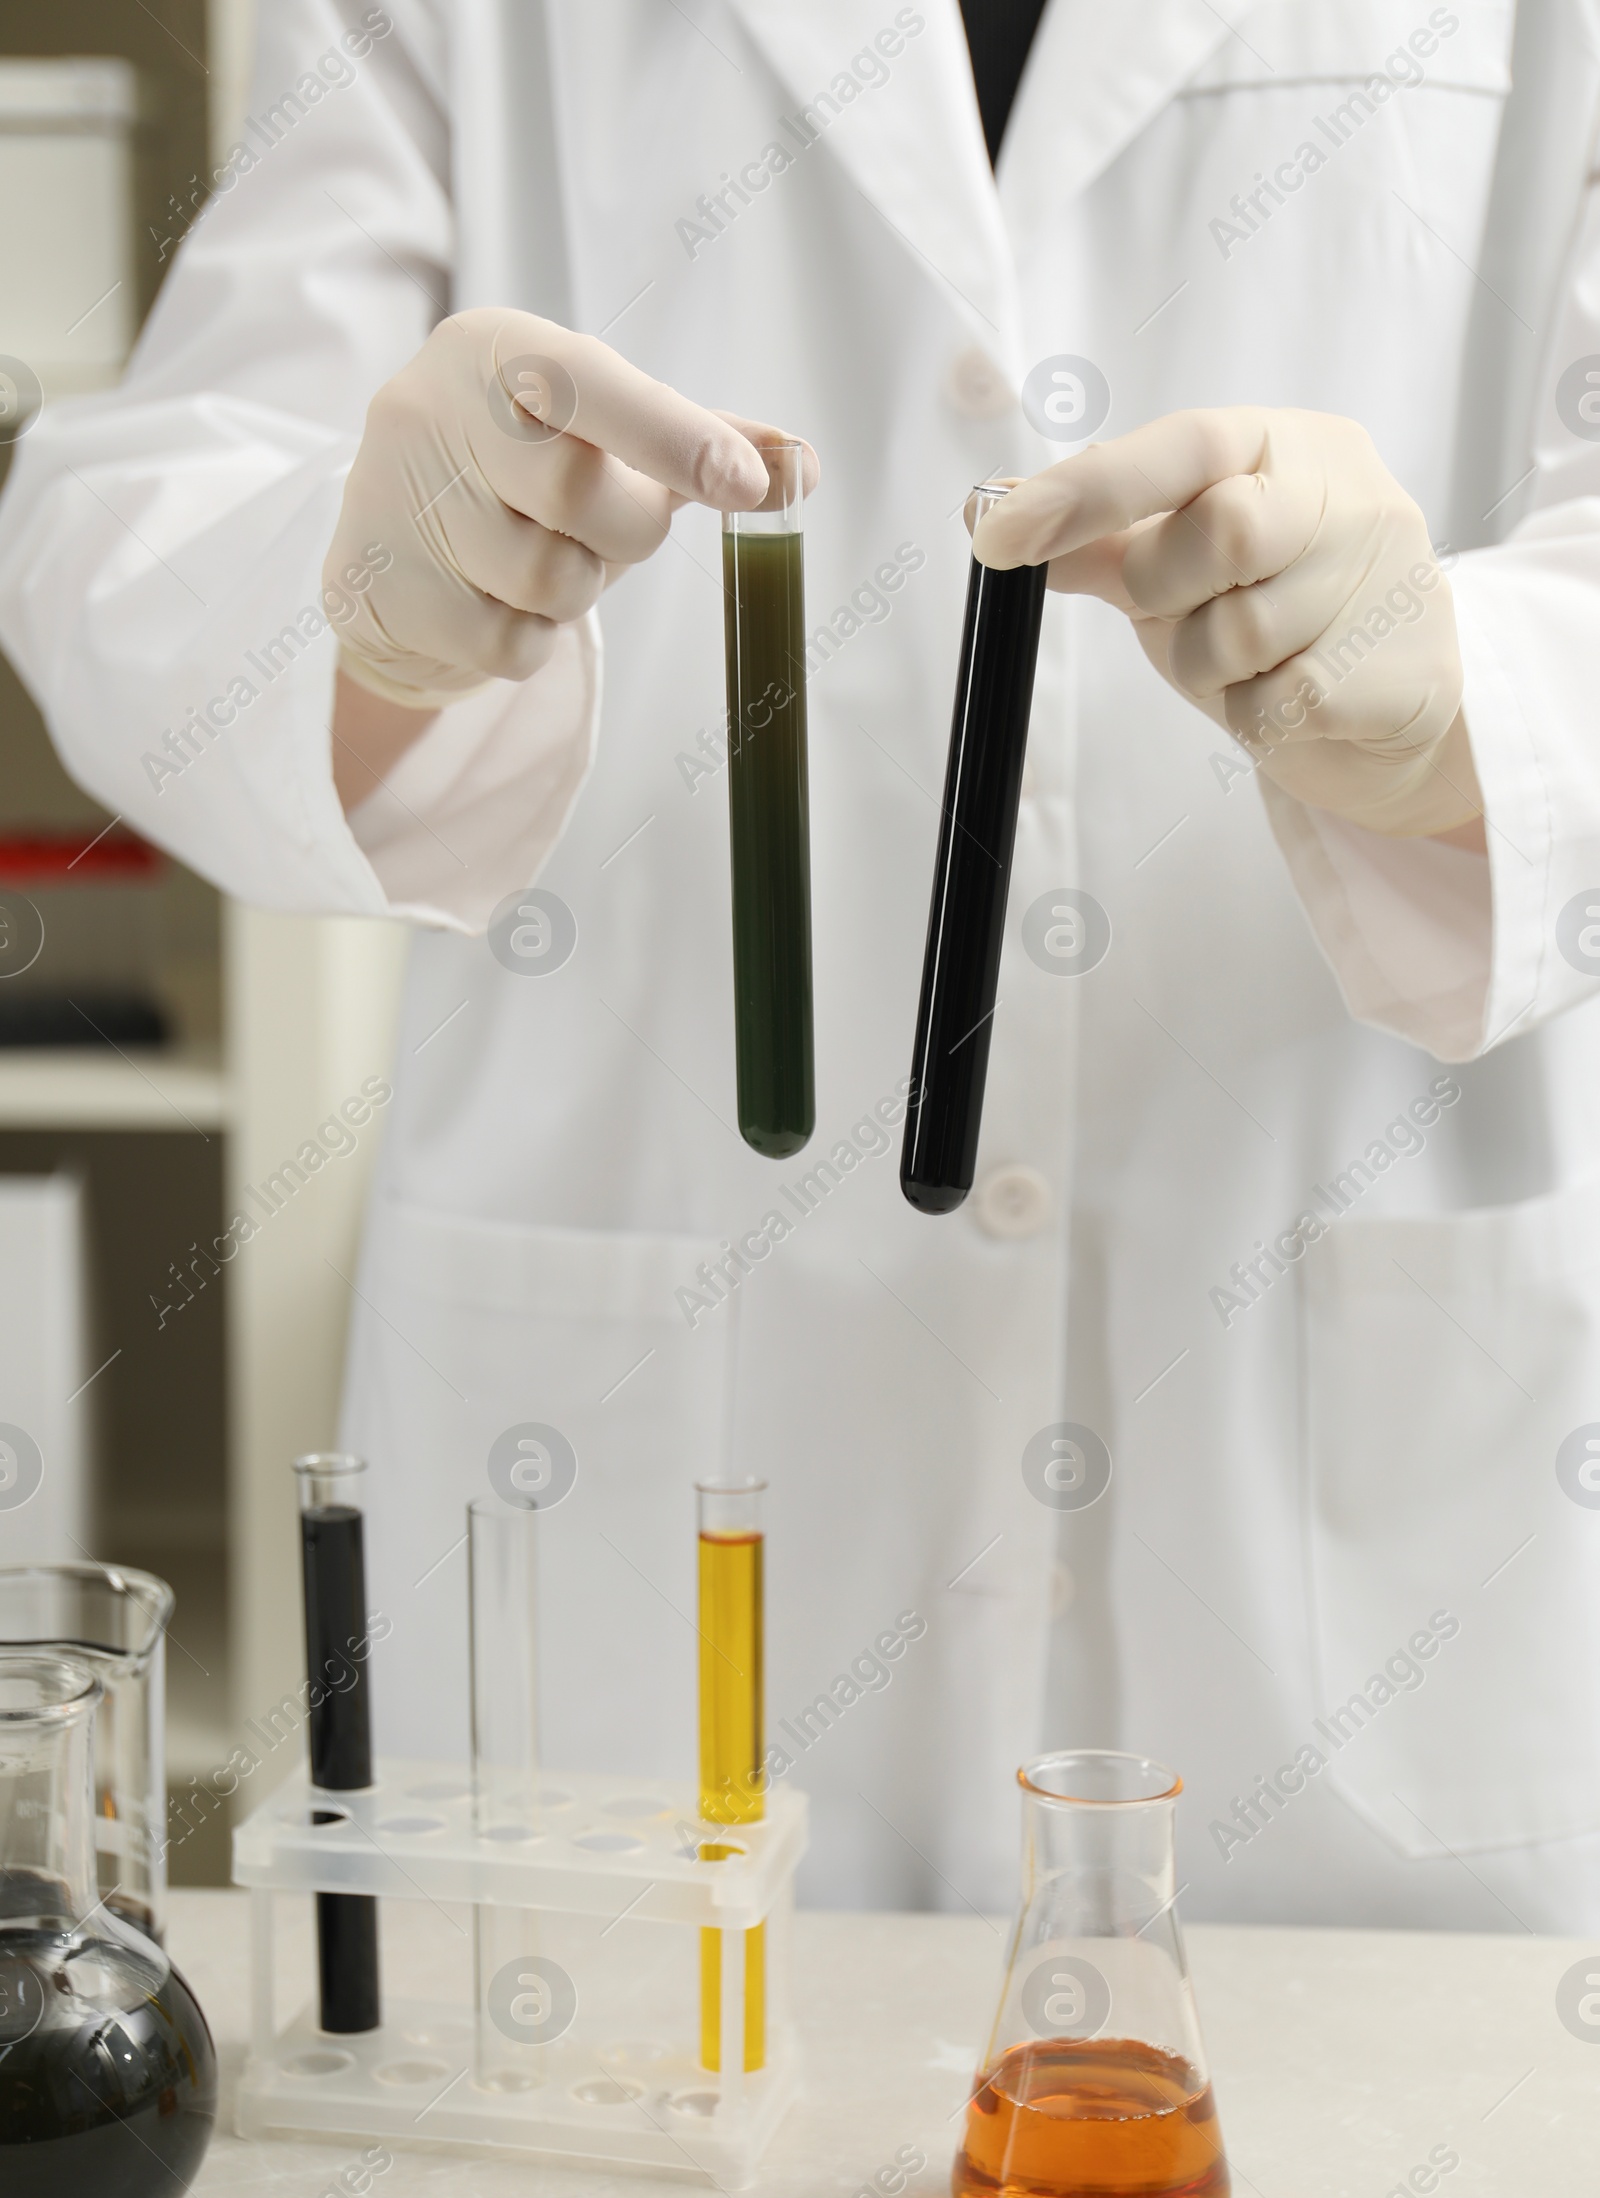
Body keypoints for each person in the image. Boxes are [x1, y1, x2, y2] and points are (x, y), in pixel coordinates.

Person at [5, 0, 1600, 1930]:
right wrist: (366, 600)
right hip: (643, 1467)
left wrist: (1460, 708)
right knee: (617, 2146)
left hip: (1333, 1517)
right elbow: (141, 522)